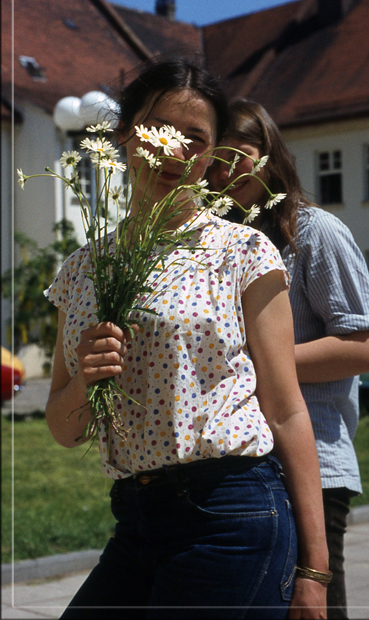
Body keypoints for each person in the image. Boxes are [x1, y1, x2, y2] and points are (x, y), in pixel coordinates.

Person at [44, 58, 330, 620]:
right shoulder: (81, 271)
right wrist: (85, 378)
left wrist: (316, 571)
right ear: (126, 136)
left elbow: (286, 408)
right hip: (135, 519)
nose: (174, 151)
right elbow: (63, 428)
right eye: (160, 131)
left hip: (232, 513)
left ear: (214, 153)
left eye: (195, 139)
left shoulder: (241, 252)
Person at [207, 99, 369, 620]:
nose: (226, 170)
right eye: (215, 160)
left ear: (270, 156)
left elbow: (364, 347)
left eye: (239, 154)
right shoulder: (220, 246)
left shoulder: (313, 233)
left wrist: (260, 359)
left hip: (318, 469)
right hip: (244, 469)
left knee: (314, 608)